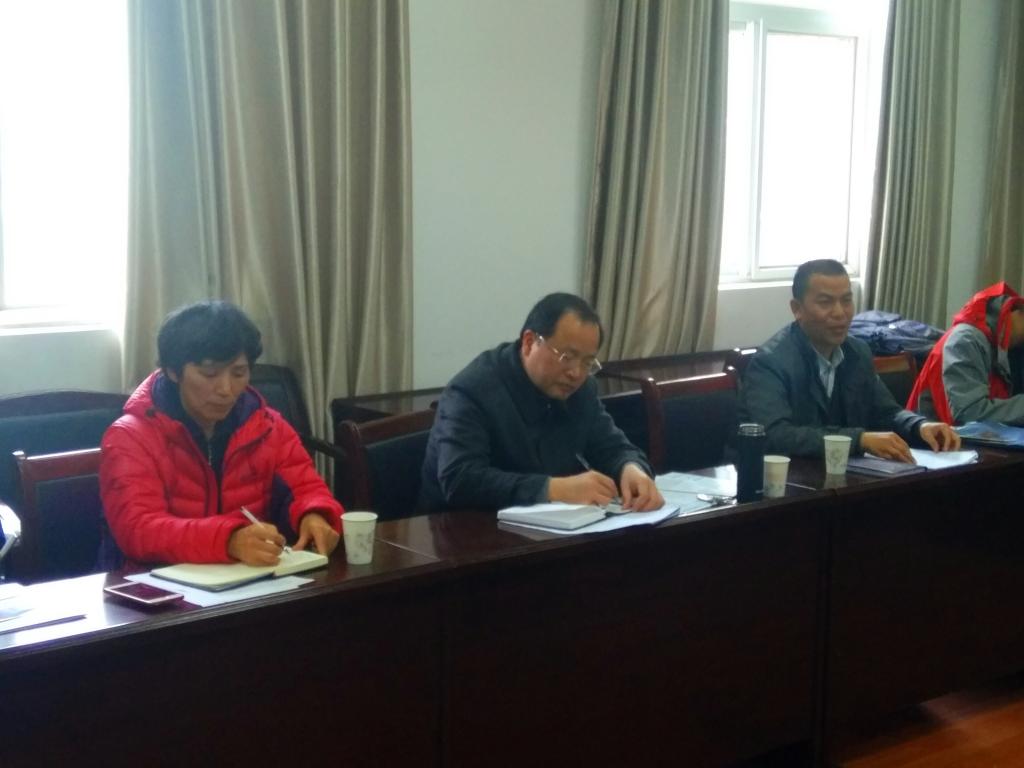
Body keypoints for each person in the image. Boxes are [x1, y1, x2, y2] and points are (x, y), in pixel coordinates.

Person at [100, 301, 342, 566]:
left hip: (250, 579)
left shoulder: (267, 426)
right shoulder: (130, 437)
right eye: (209, 373)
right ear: (172, 372)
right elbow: (139, 530)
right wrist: (229, 541)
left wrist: (314, 515)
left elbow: (306, 488)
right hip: (153, 584)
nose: (226, 389)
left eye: (239, 373)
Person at [419, 293, 663, 513]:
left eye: (588, 363)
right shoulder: (472, 391)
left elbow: (612, 446)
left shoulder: (581, 389)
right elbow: (460, 480)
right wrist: (552, 489)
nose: (576, 373)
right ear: (529, 342)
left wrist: (631, 468)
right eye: (567, 357)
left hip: (551, 530)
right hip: (463, 533)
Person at [738, 259, 960, 461]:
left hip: (843, 476)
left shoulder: (857, 352)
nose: (839, 313)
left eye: (846, 301)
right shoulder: (771, 362)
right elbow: (776, 435)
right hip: (785, 479)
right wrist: (859, 440)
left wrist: (920, 426)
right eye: (825, 302)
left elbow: (886, 412)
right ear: (797, 309)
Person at [908, 282, 1024, 425]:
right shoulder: (965, 340)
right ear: (1019, 312)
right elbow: (970, 413)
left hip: (982, 434)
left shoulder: (1009, 343)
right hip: (938, 433)